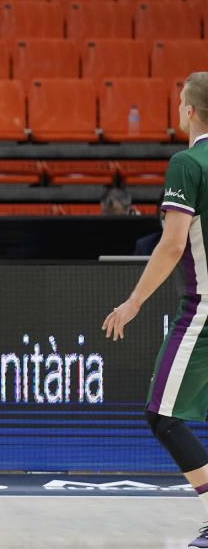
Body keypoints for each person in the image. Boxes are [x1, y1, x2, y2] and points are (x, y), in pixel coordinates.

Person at [103, 72, 208, 549]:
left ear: (189, 111)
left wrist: (134, 301)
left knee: (163, 415)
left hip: (204, 309)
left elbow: (171, 245)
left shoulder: (188, 163)